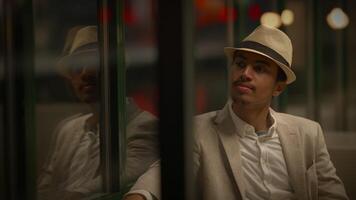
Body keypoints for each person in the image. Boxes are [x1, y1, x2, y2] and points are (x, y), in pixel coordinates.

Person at [123, 25, 349, 200]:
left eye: (259, 68)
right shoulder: (199, 130)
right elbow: (158, 178)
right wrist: (139, 195)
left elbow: (333, 194)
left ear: (278, 87)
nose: (245, 73)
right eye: (240, 64)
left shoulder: (308, 132)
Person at [37, 26, 159, 200]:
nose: (85, 73)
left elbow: (124, 177)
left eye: (95, 63)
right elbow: (45, 186)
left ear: (117, 70)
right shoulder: (67, 129)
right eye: (77, 66)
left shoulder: (147, 126)